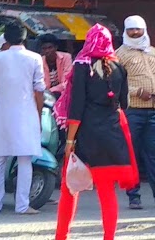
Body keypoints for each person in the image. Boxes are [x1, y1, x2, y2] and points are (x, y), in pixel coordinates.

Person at [54, 25, 137, 240]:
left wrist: (70, 140)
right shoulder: (119, 67)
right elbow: (125, 104)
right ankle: (109, 237)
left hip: (85, 136)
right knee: (106, 191)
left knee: (70, 188)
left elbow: (77, 106)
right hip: (111, 135)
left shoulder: (82, 65)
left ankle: (61, 236)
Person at [0, 22, 47, 215]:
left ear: (7, 38)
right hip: (26, 115)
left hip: (1, 115)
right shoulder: (34, 58)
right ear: (24, 38)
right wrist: (38, 117)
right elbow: (39, 90)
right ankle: (22, 206)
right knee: (24, 160)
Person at [116, 15, 155, 210]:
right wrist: (137, 91)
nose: (135, 32)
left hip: (153, 110)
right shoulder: (119, 54)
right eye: (131, 29)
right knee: (132, 155)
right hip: (132, 111)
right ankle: (133, 197)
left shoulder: (152, 51)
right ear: (125, 31)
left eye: (138, 29)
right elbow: (117, 82)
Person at [40, 34, 74, 102]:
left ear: (56, 47)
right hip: (46, 97)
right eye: (44, 48)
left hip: (63, 93)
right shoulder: (39, 61)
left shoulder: (66, 57)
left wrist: (50, 91)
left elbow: (66, 82)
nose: (47, 51)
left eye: (50, 48)